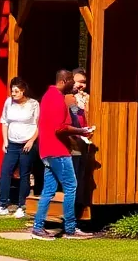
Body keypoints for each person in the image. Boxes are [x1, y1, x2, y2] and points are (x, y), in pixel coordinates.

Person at [31, 69, 95, 240]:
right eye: (71, 81)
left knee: (49, 190)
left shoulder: (47, 96)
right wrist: (82, 130)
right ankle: (70, 229)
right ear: (64, 80)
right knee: (71, 187)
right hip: (58, 151)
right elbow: (59, 128)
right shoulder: (57, 98)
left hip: (46, 150)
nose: (73, 85)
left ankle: (38, 228)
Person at [0, 77, 39, 218]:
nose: (14, 94)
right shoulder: (8, 102)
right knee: (6, 171)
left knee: (24, 173)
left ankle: (21, 205)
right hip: (12, 143)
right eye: (12, 91)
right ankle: (2, 204)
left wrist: (31, 141)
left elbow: (38, 124)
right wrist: (5, 140)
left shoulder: (33, 104)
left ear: (23, 91)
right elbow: (4, 121)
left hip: (26, 144)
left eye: (16, 91)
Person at [65, 67, 91, 208]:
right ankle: (71, 209)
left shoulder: (86, 99)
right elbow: (75, 113)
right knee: (73, 176)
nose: (81, 85)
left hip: (84, 140)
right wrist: (83, 103)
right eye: (78, 82)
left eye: (84, 82)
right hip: (72, 142)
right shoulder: (68, 98)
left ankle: (79, 205)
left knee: (81, 175)